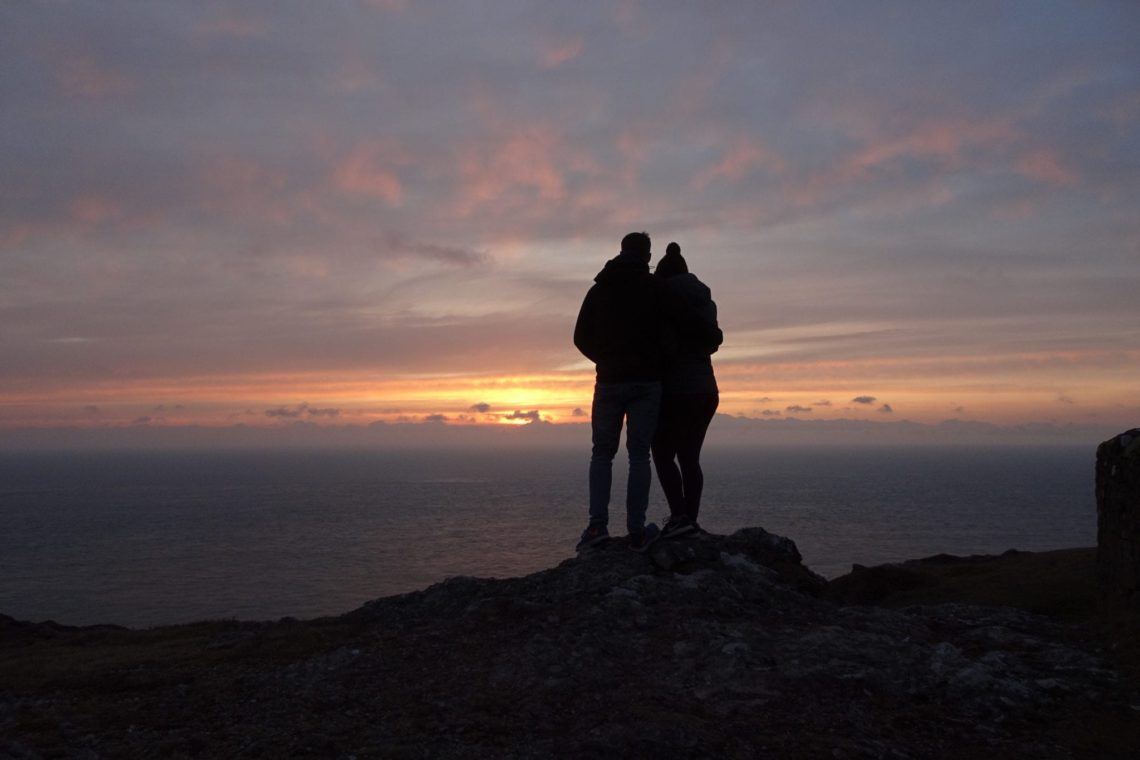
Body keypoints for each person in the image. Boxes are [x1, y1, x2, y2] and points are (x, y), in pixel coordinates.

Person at [573, 232, 670, 553]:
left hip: (609, 381)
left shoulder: (599, 290)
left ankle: (597, 526)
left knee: (602, 453)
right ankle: (637, 531)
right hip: (647, 382)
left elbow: (580, 337)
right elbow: (670, 335)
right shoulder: (656, 289)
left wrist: (605, 360)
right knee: (639, 455)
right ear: (647, 255)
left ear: (622, 251)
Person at [651, 242, 722, 538]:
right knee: (690, 457)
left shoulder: (662, 299)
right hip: (706, 390)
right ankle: (690, 519)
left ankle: (679, 516)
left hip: (675, 390)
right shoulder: (705, 301)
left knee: (663, 453)